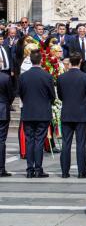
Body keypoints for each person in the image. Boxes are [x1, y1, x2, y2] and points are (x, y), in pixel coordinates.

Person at [19, 49, 56, 178]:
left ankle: (30, 169)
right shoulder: (47, 76)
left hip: (28, 112)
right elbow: (52, 95)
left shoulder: (23, 76)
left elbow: (21, 94)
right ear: (41, 60)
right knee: (39, 140)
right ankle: (38, 169)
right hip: (42, 112)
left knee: (30, 141)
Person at [57, 52, 86, 178]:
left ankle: (65, 172)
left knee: (66, 143)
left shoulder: (62, 77)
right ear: (81, 61)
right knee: (80, 143)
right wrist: (82, 103)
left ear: (70, 62)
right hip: (81, 113)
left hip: (67, 112)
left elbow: (60, 95)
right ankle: (81, 171)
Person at [0, 68, 14, 176]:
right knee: (1, 140)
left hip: (3, 108)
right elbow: (11, 95)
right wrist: (7, 103)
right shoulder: (6, 77)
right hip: (3, 110)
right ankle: (1, 168)